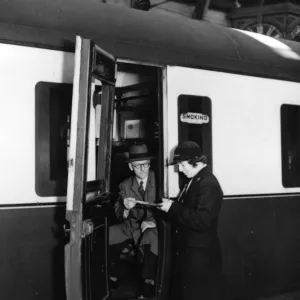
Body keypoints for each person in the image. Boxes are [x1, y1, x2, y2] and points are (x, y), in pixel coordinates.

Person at [157, 141, 224, 300]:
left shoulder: (208, 184)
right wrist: (169, 207)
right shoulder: (195, 180)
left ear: (196, 161)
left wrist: (173, 208)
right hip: (192, 252)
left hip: (200, 256)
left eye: (181, 164)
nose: (179, 169)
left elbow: (202, 220)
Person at [109, 143, 158, 299]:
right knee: (106, 235)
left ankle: (147, 283)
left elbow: (169, 209)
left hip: (153, 227)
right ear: (131, 167)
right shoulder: (124, 185)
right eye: (138, 166)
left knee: (149, 236)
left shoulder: (159, 181)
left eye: (145, 165)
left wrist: (155, 222)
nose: (143, 169)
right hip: (131, 227)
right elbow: (118, 212)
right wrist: (126, 208)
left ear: (150, 164)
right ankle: (111, 275)